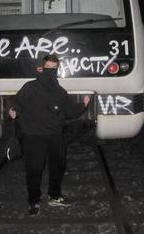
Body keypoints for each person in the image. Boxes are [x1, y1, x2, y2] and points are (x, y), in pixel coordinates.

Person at [8, 54, 91, 216]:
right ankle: (33, 201)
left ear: (57, 70)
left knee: (58, 167)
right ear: (41, 68)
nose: (51, 72)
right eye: (48, 68)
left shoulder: (60, 91)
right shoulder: (30, 87)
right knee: (34, 169)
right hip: (33, 136)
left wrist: (83, 104)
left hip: (55, 136)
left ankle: (54, 195)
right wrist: (13, 109)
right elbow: (17, 101)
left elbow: (70, 112)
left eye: (54, 69)